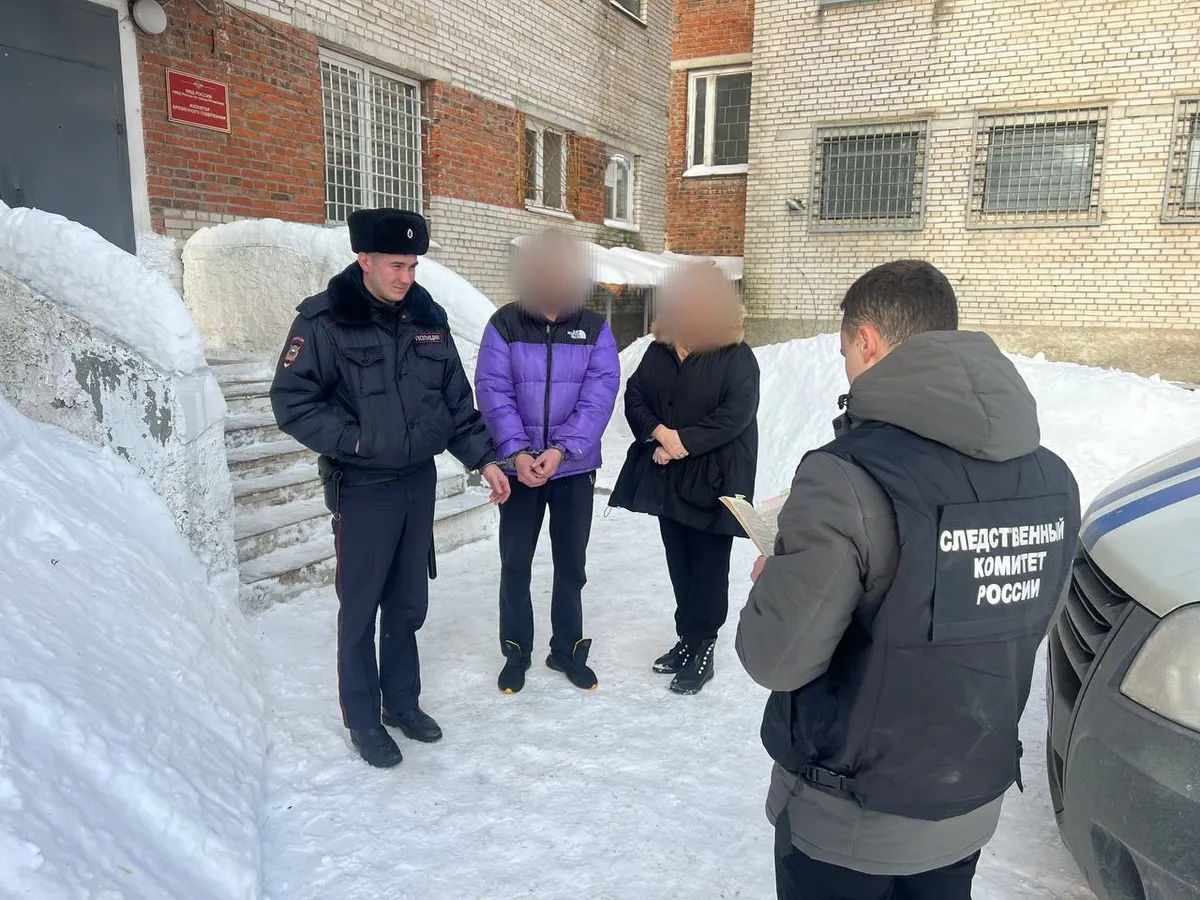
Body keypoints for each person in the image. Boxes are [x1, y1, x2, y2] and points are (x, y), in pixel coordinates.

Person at [736, 259, 1081, 900]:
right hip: (968, 802)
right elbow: (1022, 620)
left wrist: (776, 578)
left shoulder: (844, 476)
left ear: (866, 341)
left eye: (845, 352)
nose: (846, 367)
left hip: (847, 820)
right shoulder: (1053, 478)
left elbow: (775, 659)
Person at [270, 208, 510, 769]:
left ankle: (401, 701)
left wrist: (485, 460)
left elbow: (456, 402)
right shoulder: (325, 321)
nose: (407, 277)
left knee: (407, 604)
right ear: (365, 260)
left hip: (416, 483)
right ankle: (363, 718)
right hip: (362, 487)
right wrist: (356, 440)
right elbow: (292, 401)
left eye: (413, 265)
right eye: (396, 266)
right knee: (360, 610)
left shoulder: (428, 319)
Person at [474, 230, 620, 693]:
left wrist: (561, 450)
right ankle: (516, 651)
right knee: (516, 563)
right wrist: (517, 453)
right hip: (519, 471)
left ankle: (567, 650)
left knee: (571, 565)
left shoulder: (594, 328)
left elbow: (600, 394)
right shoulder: (505, 324)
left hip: (572, 468)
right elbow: (493, 390)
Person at [608, 262, 759, 695]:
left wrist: (680, 441)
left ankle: (703, 646)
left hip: (713, 480)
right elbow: (636, 395)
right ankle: (686, 639)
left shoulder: (736, 356)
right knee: (679, 562)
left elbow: (735, 415)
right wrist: (659, 432)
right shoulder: (661, 348)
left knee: (708, 567)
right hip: (668, 477)